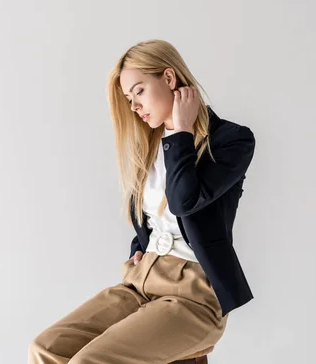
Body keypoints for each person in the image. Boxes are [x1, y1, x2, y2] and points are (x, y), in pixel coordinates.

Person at [27, 39, 256, 364]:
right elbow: (152, 217)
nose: (134, 106)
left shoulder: (231, 141)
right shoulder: (148, 145)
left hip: (195, 293)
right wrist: (141, 248)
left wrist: (181, 131)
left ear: (169, 78)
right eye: (128, 98)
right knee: (45, 349)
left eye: (139, 91)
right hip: (141, 280)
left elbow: (183, 202)